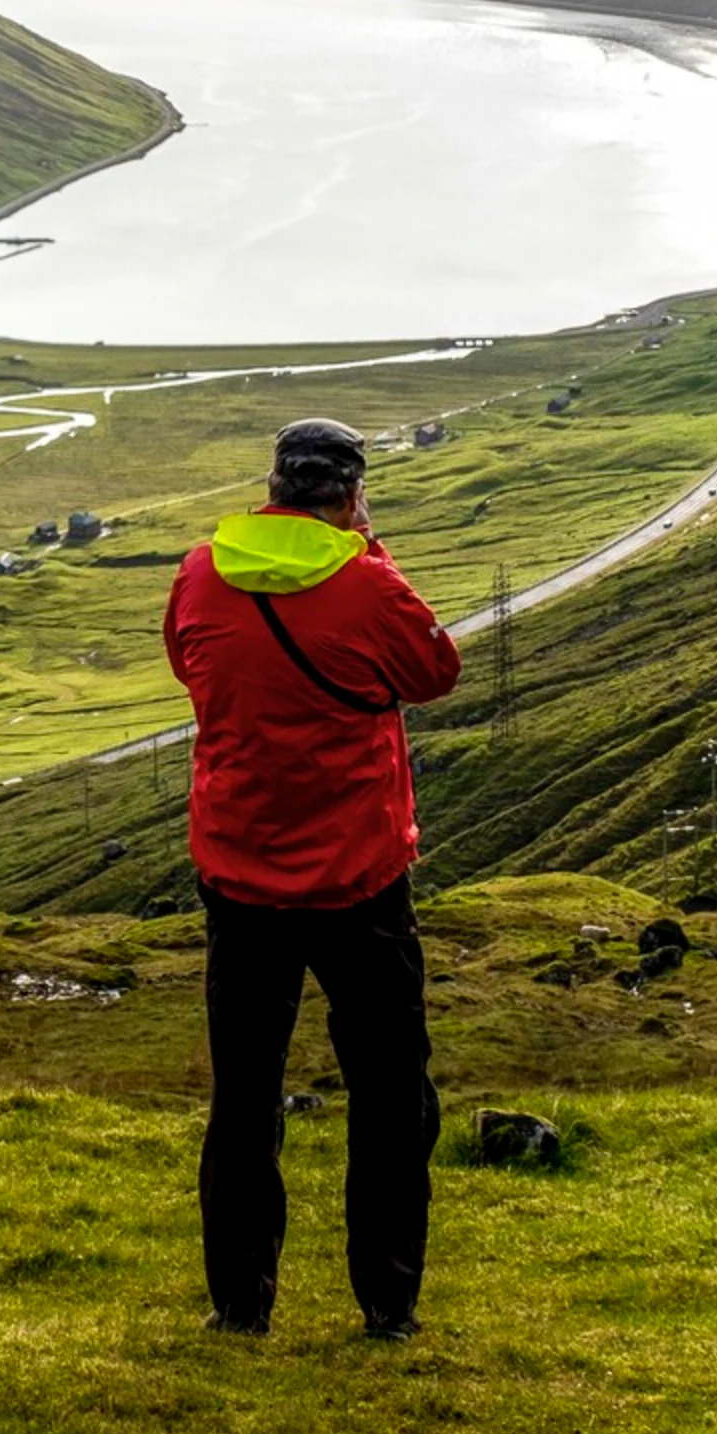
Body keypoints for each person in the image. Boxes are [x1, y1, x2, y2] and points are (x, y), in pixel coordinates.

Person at [161, 416, 465, 1340]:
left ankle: (240, 1307)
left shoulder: (202, 573)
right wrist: (368, 549)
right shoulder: (366, 582)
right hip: (359, 878)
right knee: (388, 1090)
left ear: (274, 486)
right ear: (350, 494)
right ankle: (388, 1306)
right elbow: (435, 672)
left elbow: (189, 665)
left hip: (240, 872)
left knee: (244, 1093)